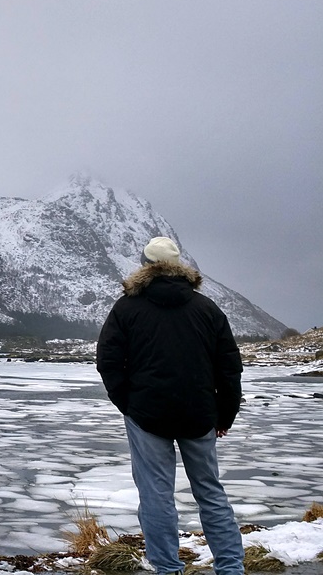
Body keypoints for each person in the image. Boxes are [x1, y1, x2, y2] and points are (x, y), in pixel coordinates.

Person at [96, 236, 244, 575]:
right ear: (179, 267)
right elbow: (229, 366)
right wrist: (225, 414)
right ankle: (231, 568)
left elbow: (108, 361)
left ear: (146, 264)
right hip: (200, 413)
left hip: (147, 414)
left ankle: (167, 569)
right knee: (210, 491)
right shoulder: (206, 308)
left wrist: (128, 405)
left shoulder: (127, 308)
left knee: (156, 495)